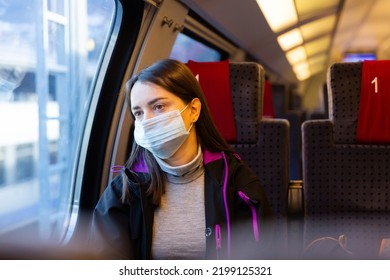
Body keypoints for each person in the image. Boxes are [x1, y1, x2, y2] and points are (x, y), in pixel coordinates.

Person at [90, 59, 274, 259]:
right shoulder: (124, 191)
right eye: (139, 113)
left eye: (159, 107)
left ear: (193, 110)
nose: (147, 121)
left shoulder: (238, 185)